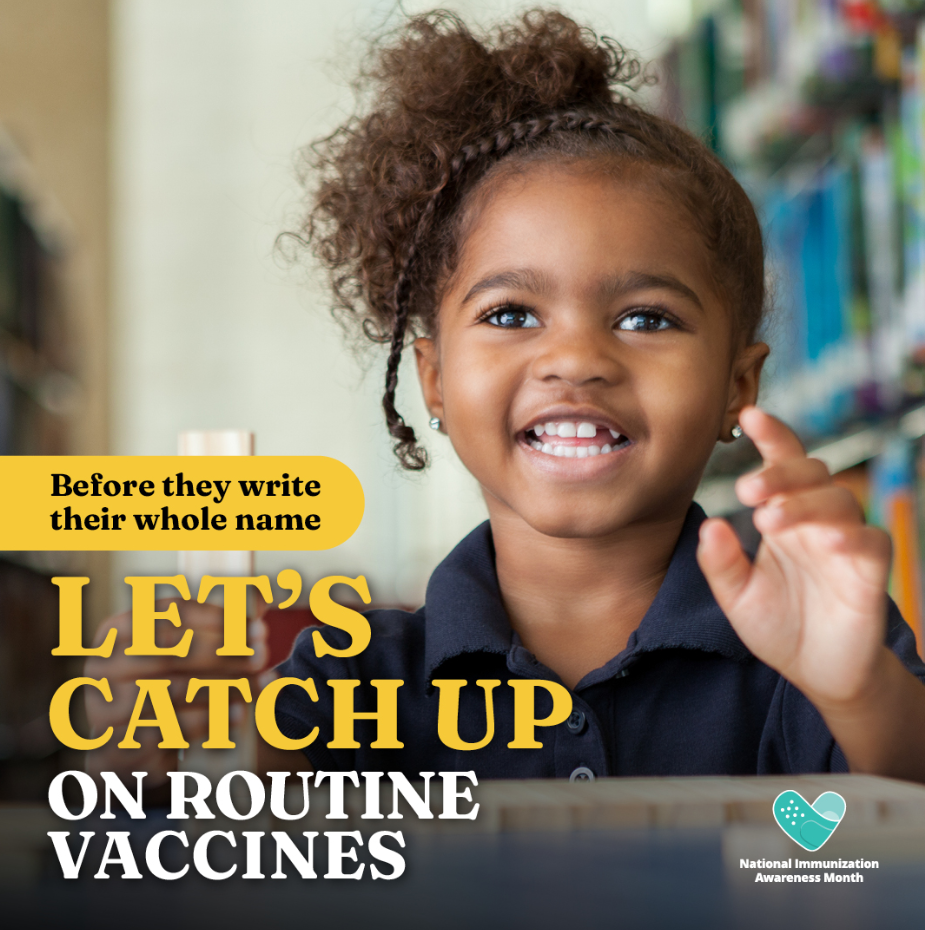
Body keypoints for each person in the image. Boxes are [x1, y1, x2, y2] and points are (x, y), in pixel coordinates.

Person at [86, 9, 925, 786]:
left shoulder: (812, 640)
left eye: (644, 317)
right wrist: (144, 766)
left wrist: (855, 693)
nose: (575, 358)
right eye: (511, 313)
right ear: (435, 380)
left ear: (737, 386)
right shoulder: (344, 680)